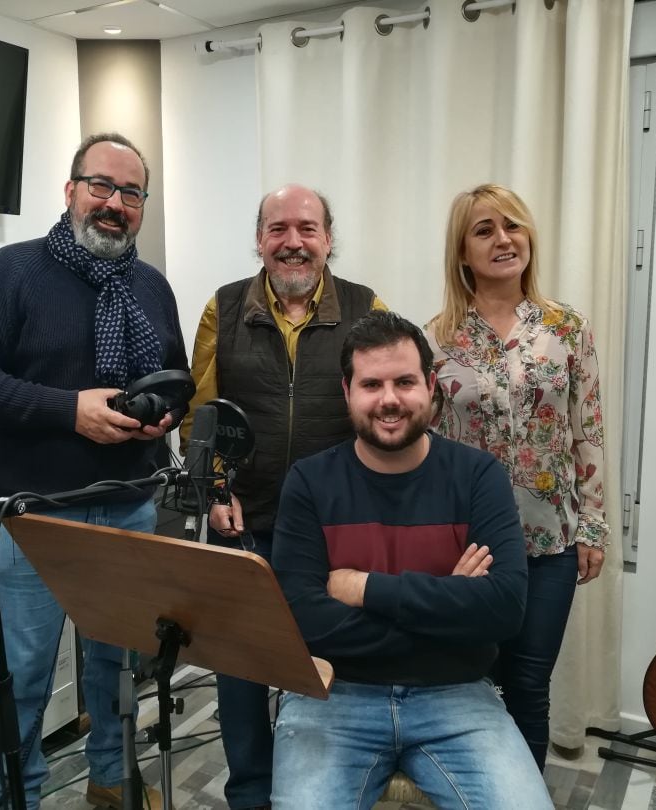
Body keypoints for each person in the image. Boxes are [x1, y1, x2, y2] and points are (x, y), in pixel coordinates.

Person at [0, 132, 187, 810]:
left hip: (128, 504)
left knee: (117, 663)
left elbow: (173, 380)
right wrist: (66, 410)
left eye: (131, 193)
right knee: (24, 674)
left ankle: (111, 777)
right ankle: (15, 797)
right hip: (36, 516)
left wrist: (161, 417)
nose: (114, 204)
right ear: (70, 190)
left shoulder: (152, 287)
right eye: (101, 186)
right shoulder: (10, 273)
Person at [269, 310, 552, 809]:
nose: (389, 400)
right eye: (371, 384)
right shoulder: (309, 482)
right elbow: (300, 621)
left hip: (457, 695)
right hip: (335, 695)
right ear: (347, 392)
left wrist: (364, 588)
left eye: (404, 381)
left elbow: (505, 608)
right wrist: (450, 606)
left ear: (431, 385)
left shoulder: (478, 476)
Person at [182, 183, 385, 810]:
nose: (292, 242)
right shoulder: (223, 309)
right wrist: (214, 489)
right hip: (247, 522)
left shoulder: (366, 308)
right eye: (278, 229)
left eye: (306, 229)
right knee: (240, 670)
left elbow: (383, 411)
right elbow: (201, 417)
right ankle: (251, 794)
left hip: (336, 531)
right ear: (260, 239)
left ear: (328, 239)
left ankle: (323, 789)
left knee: (330, 669)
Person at [424, 183, 609, 771]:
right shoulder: (436, 338)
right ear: (462, 252)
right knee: (477, 675)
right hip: (468, 541)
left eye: (513, 226)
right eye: (484, 230)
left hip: (550, 539)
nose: (503, 239)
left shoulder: (566, 328)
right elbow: (423, 440)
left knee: (530, 681)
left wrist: (594, 527)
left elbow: (589, 431)